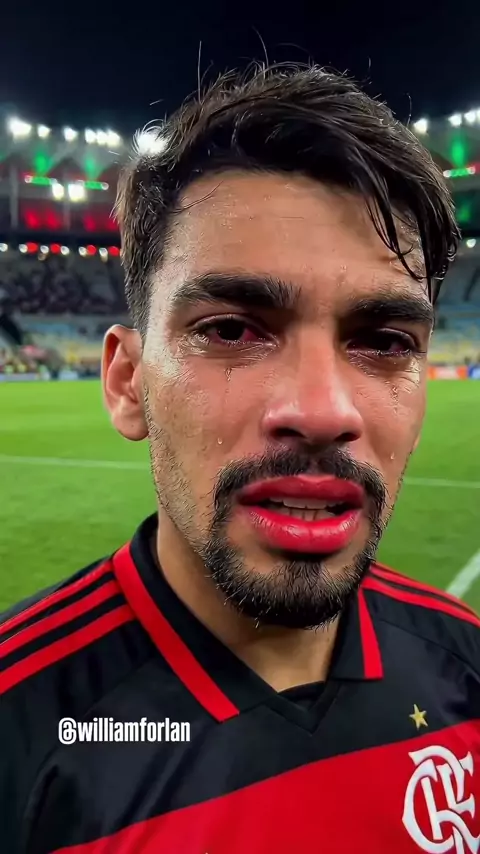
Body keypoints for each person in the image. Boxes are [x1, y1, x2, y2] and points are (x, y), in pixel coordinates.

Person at [1, 64, 479, 854]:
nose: (323, 411)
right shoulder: (20, 731)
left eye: (386, 342)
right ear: (126, 382)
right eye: (230, 330)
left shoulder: (465, 662)